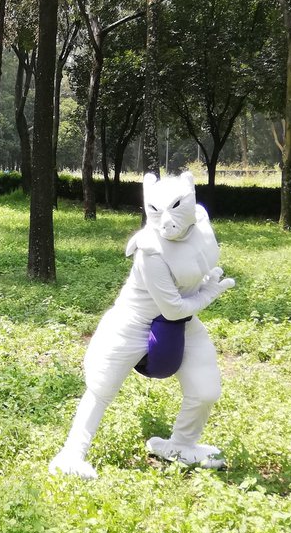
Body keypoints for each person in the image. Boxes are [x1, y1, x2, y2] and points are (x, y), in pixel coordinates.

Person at [49, 171, 234, 479]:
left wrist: (203, 285)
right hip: (135, 322)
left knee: (206, 390)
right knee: (101, 388)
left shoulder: (201, 223)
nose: (166, 222)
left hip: (184, 323)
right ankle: (71, 454)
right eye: (156, 211)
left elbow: (186, 292)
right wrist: (208, 294)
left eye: (175, 207)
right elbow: (172, 309)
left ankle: (181, 445)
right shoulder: (150, 250)